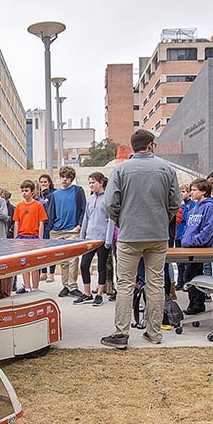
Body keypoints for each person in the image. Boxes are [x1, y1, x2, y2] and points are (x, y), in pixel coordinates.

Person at [102, 129, 180, 349]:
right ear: (150, 145)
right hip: (157, 234)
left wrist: (121, 221)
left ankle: (121, 333)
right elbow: (175, 202)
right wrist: (163, 219)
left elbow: (110, 204)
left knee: (125, 283)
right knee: (155, 283)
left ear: (134, 147)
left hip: (129, 235)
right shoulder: (166, 169)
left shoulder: (121, 169)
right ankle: (154, 332)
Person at [180, 179, 213, 315]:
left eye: (194, 190)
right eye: (191, 190)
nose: (192, 193)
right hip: (189, 247)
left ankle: (197, 304)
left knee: (190, 276)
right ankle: (196, 303)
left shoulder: (210, 206)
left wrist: (194, 241)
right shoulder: (194, 207)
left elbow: (209, 229)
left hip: (200, 248)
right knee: (194, 275)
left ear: (204, 191)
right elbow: (189, 226)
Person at [75, 172, 115, 307]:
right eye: (90, 183)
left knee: (101, 266)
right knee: (84, 265)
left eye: (93, 182)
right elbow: (86, 218)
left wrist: (108, 239)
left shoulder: (107, 199)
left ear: (101, 183)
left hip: (102, 239)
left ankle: (99, 293)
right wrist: (82, 237)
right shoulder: (90, 199)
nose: (91, 185)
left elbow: (111, 220)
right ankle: (87, 293)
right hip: (89, 238)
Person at [47, 165, 87, 298]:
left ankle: (73, 286)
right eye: (63, 177)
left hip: (72, 230)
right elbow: (51, 213)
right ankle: (65, 285)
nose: (64, 179)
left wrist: (79, 225)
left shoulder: (78, 191)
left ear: (72, 179)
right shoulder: (54, 194)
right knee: (63, 260)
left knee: (73, 259)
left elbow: (83, 209)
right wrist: (51, 229)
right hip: (57, 231)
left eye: (67, 177)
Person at [13, 179, 48, 294]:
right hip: (22, 237)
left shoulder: (38, 205)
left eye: (26, 190)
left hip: (34, 237)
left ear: (32, 191)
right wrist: (15, 238)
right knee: (24, 264)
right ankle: (27, 287)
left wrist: (40, 239)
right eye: (22, 191)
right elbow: (16, 223)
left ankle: (35, 287)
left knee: (35, 264)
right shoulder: (19, 206)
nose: (24, 193)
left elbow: (41, 223)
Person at [174, 185, 195, 290]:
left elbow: (187, 218)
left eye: (183, 192)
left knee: (187, 262)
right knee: (179, 262)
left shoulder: (191, 204)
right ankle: (180, 281)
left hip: (185, 236)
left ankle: (188, 282)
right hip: (177, 235)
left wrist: (183, 207)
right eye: (180, 192)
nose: (181, 194)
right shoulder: (178, 204)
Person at [36, 173, 56, 282]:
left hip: (50, 224)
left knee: (51, 250)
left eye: (45, 182)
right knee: (42, 249)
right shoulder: (38, 197)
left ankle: (51, 273)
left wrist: (47, 194)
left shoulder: (53, 194)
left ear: (49, 183)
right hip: (41, 225)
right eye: (41, 182)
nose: (43, 184)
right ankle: (43, 272)